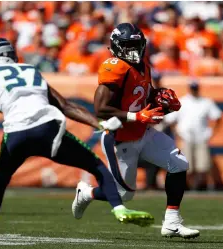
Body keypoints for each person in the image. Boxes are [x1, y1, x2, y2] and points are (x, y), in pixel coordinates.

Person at [0, 38, 154, 249]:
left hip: (16, 133)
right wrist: (99, 124)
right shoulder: (29, 70)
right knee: (96, 165)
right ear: (12, 56)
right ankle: (119, 208)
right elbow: (66, 106)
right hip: (48, 127)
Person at [72, 23, 200, 239]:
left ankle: (172, 223)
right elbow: (101, 109)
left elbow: (141, 98)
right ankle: (86, 193)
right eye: (128, 45)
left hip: (143, 132)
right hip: (119, 138)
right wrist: (136, 116)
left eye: (136, 45)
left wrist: (161, 101)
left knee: (179, 164)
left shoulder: (144, 66)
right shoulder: (114, 66)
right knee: (125, 194)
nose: (133, 50)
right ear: (116, 46)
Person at [164, 80, 222, 190]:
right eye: (193, 88)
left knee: (202, 165)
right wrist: (178, 134)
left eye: (195, 88)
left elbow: (217, 117)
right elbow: (170, 120)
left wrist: (211, 132)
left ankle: (198, 186)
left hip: (201, 136)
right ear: (189, 88)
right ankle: (187, 186)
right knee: (186, 164)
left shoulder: (206, 102)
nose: (194, 90)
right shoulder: (182, 102)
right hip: (186, 136)